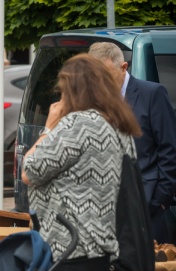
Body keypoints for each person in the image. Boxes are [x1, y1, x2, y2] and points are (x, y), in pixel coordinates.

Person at [22, 54, 142, 270]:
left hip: (71, 248)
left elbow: (29, 171)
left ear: (73, 89)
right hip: (103, 249)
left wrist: (48, 128)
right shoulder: (119, 124)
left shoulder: (78, 125)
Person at [89, 42, 176, 244]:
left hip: (147, 210)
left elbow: (169, 149)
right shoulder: (92, 101)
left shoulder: (152, 94)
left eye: (106, 74)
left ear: (123, 67)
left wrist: (159, 202)